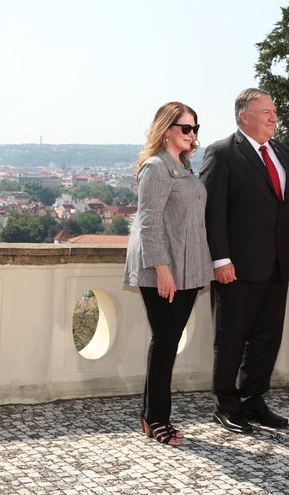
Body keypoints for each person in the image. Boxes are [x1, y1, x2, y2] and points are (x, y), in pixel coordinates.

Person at [200, 88, 289, 434]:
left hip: (276, 265)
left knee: (266, 338)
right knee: (230, 338)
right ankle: (226, 406)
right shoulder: (222, 153)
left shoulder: (283, 153)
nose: (275, 117)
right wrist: (220, 260)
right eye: (266, 112)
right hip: (236, 268)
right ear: (244, 116)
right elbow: (212, 214)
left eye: (275, 111)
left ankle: (253, 400)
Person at [124, 101, 213, 445]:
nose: (192, 135)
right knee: (164, 341)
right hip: (161, 267)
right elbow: (148, 222)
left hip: (188, 267)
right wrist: (162, 270)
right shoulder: (155, 167)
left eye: (195, 128)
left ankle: (150, 414)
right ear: (166, 130)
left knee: (168, 341)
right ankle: (157, 418)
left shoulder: (185, 167)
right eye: (185, 128)